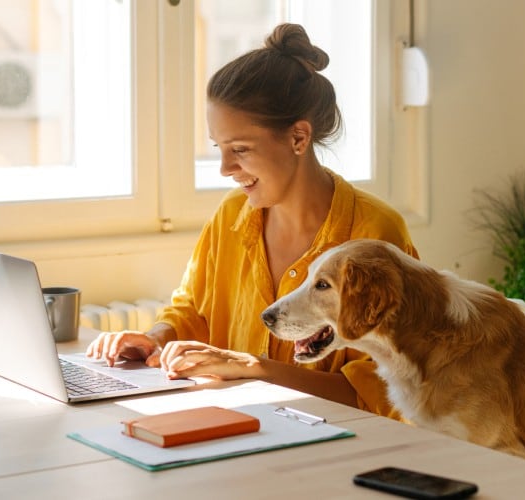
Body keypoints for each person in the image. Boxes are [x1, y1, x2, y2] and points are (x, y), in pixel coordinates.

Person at [86, 23, 418, 418]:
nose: (225, 168)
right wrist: (155, 338)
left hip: (337, 449)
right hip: (235, 428)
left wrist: (257, 371)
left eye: (240, 149)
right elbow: (193, 311)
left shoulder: (375, 233)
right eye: (219, 148)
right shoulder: (231, 215)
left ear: (298, 137)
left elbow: (382, 394)